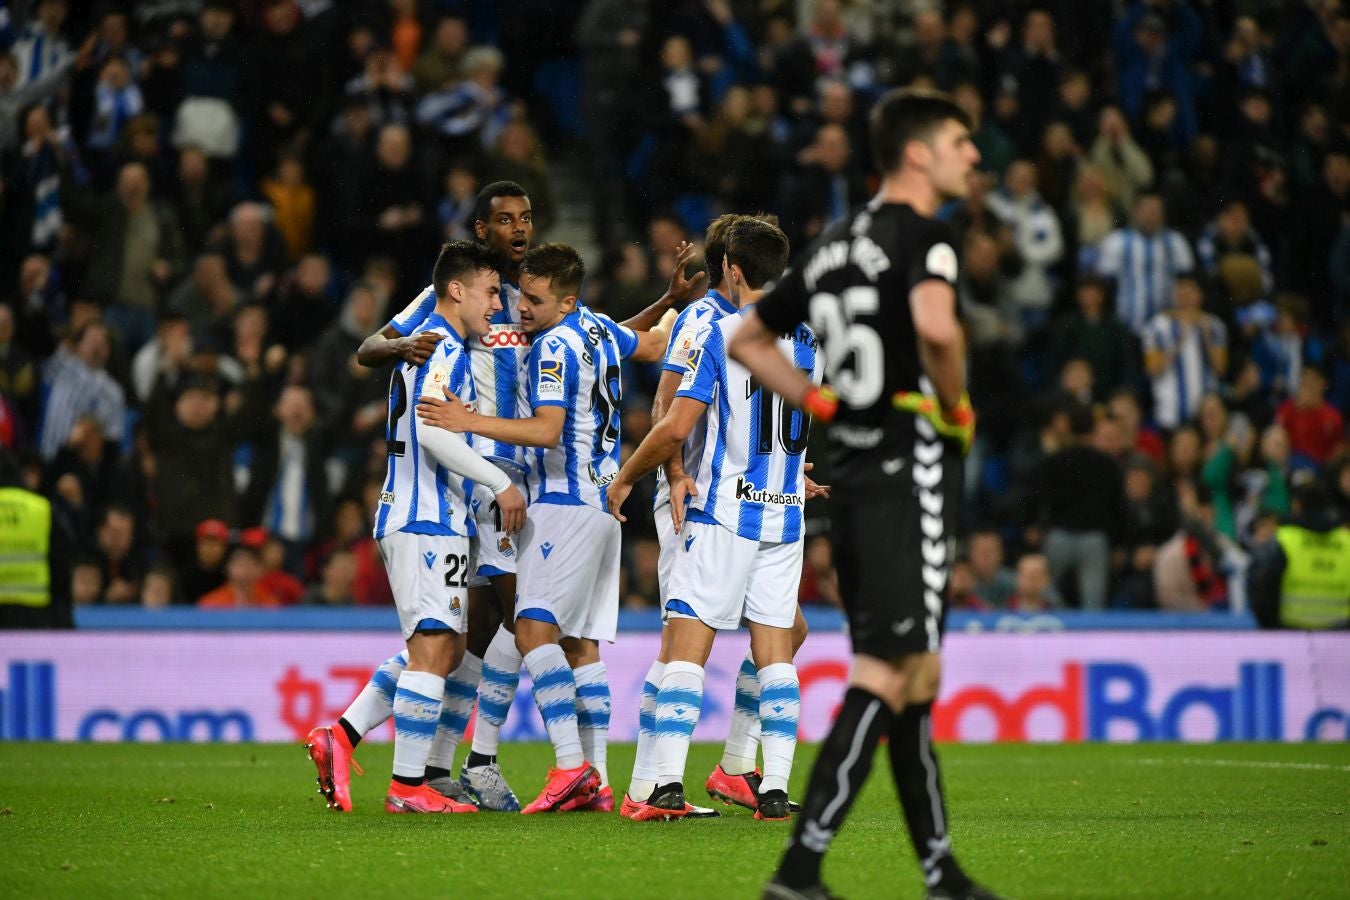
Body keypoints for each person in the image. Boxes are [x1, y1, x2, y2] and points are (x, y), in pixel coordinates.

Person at [725, 88, 999, 900]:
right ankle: (799, 869)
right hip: (905, 472)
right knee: (887, 670)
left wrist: (818, 401)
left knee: (914, 677)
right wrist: (953, 407)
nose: (972, 155)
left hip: (847, 477)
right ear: (919, 153)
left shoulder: (836, 244)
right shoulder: (928, 237)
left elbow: (750, 339)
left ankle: (940, 869)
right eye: (960, 140)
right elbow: (940, 329)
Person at [415, 242, 674, 814]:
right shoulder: (599, 327)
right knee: (565, 641)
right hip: (601, 504)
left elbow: (548, 430)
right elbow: (654, 343)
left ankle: (569, 768)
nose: (521, 308)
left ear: (566, 300)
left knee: (533, 633)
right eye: (519, 295)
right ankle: (588, 777)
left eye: (534, 299)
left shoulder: (554, 347)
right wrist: (673, 302)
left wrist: (466, 420)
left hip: (563, 502)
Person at [606, 217, 820, 822]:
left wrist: (626, 476)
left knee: (686, 648)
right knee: (778, 647)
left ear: (731, 268)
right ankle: (770, 787)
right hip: (784, 518)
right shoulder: (811, 340)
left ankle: (662, 785)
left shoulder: (723, 334)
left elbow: (673, 422)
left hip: (723, 508)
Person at [305, 240, 526, 815]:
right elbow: (432, 431)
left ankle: (342, 736)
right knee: (435, 649)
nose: (497, 304)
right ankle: (408, 788)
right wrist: (498, 482)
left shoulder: (431, 338)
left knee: (446, 648)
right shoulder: (443, 343)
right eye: (490, 291)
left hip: (431, 514)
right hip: (423, 515)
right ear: (457, 289)